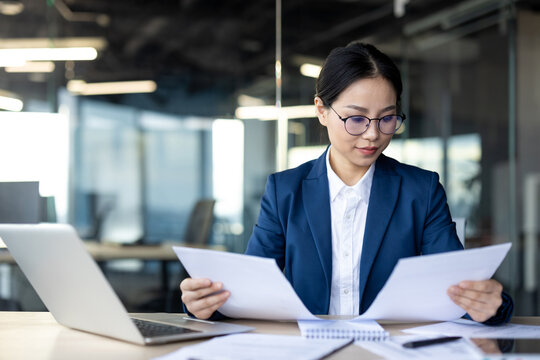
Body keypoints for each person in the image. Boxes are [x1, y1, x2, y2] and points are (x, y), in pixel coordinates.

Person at [180, 42, 514, 324]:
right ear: (321, 111)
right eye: (356, 118)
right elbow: (246, 293)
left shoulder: (421, 191)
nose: (373, 134)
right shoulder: (285, 191)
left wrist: (490, 306)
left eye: (387, 118)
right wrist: (204, 305)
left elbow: (461, 292)